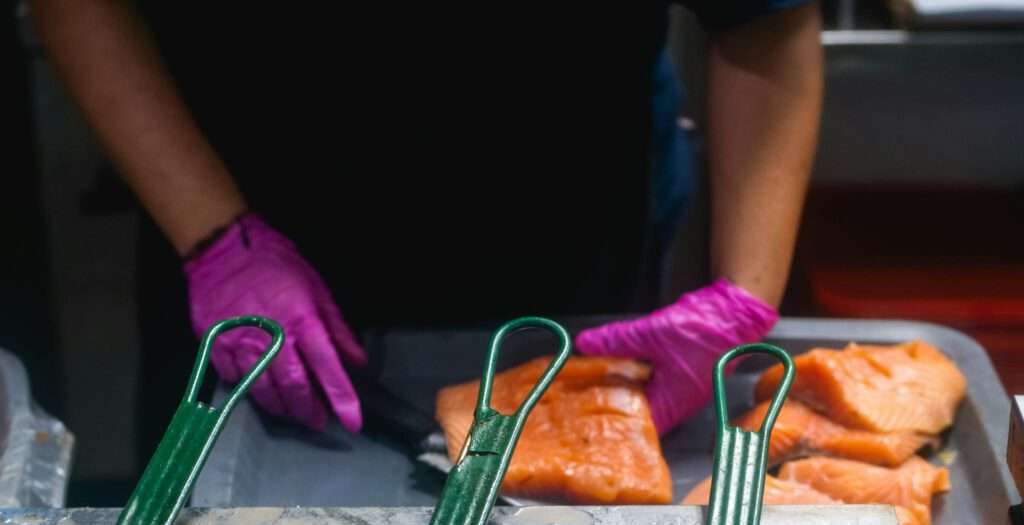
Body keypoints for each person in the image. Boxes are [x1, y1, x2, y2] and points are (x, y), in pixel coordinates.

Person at [30, 2, 822, 451]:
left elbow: (764, 22)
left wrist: (742, 295)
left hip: (570, 223)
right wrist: (216, 239)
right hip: (242, 219)